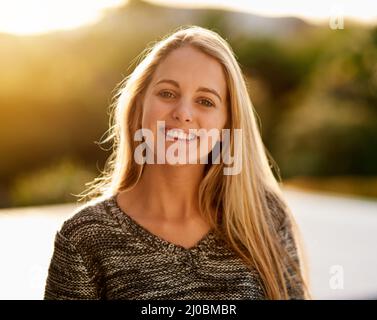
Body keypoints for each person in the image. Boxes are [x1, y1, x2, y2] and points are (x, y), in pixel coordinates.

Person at [44, 25, 311, 300]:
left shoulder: (265, 217)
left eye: (205, 101)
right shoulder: (84, 238)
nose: (183, 113)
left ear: (227, 123)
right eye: (168, 94)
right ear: (139, 106)